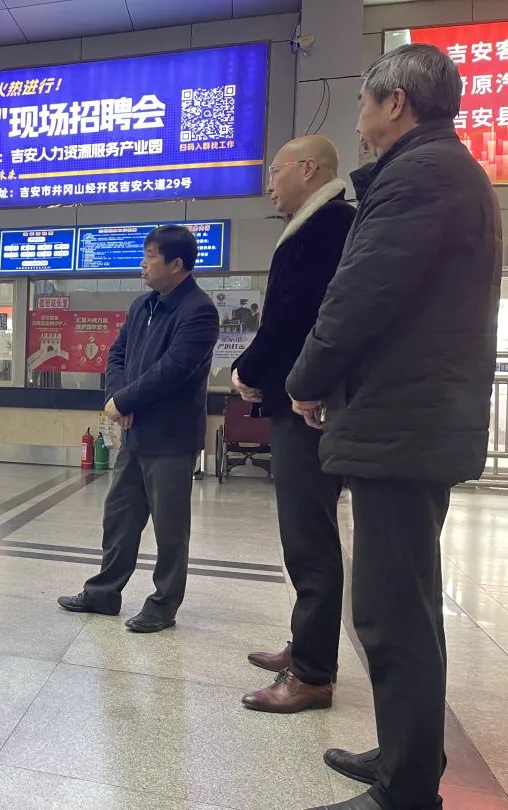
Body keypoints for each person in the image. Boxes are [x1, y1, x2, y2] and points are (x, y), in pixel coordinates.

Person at [287, 45, 501, 810]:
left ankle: (406, 790)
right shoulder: (443, 172)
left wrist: (306, 378)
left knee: (390, 610)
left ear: (396, 103)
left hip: (402, 424)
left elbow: (359, 295)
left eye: (363, 105)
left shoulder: (421, 176)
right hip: (411, 421)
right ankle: (407, 750)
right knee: (403, 601)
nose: (358, 120)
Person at [230, 135, 355, 713]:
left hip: (309, 407)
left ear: (308, 169)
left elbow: (296, 317)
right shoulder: (316, 225)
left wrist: (248, 369)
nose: (269, 184)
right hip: (301, 399)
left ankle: (311, 673)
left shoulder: (328, 226)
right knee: (304, 536)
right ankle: (306, 644)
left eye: (275, 171)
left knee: (309, 538)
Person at [58, 226, 219, 632]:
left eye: (150, 256)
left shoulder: (198, 311)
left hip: (171, 439)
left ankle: (163, 605)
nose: (142, 264)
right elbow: (117, 354)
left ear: (176, 264)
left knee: (170, 529)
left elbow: (174, 370)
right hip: (135, 434)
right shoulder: (142, 305)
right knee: (120, 517)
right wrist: (117, 399)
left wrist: (127, 401)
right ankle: (103, 593)